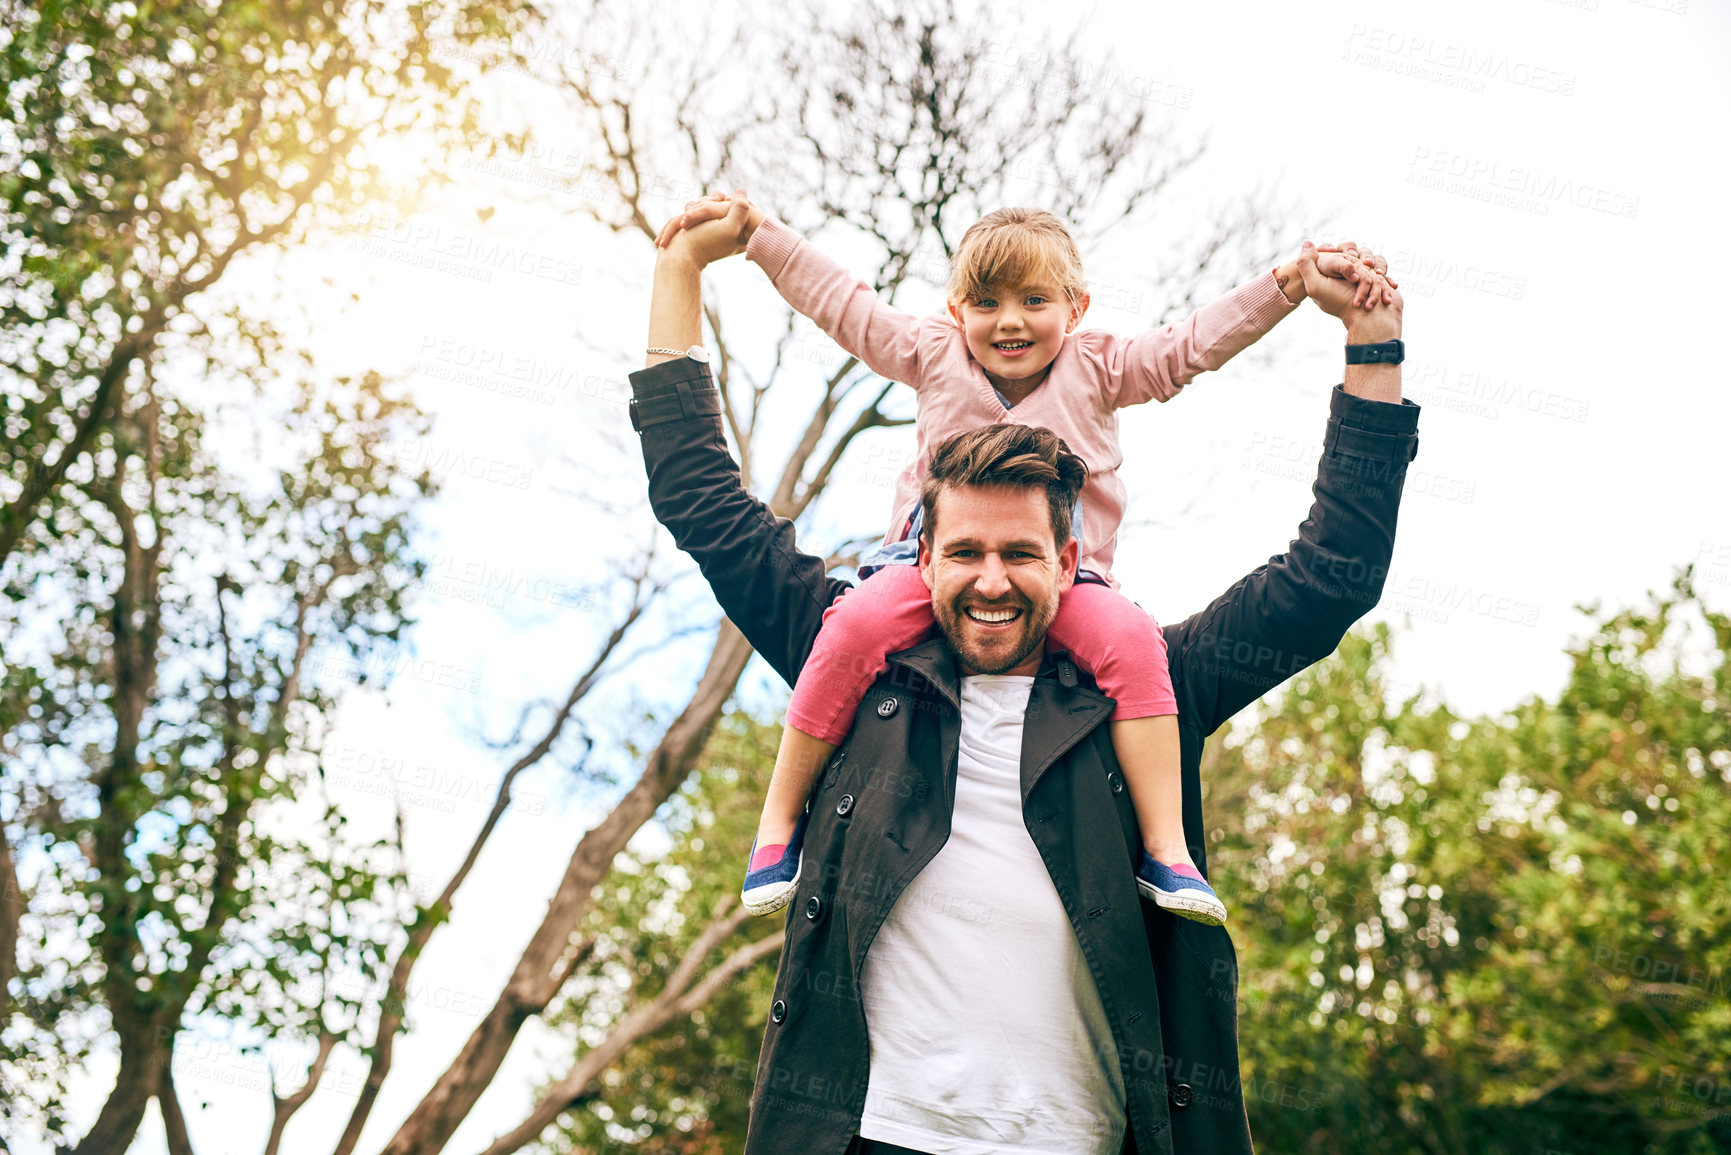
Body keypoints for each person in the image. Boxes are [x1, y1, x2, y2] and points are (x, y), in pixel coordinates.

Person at [631, 200, 1419, 1155]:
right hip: (868, 1136)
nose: (991, 581)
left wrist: (1371, 347)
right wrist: (679, 274)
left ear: (1067, 554)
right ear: (920, 559)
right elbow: (697, 496)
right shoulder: (857, 657)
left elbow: (1332, 575)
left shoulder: (1145, 693)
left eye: (1019, 552)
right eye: (963, 551)